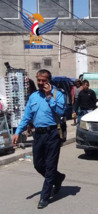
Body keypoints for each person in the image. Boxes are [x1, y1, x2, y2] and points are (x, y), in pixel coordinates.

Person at [11, 69, 66, 209]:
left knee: (50, 166)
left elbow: (60, 112)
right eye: (39, 80)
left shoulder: (57, 94)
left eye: (43, 80)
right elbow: (27, 116)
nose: (40, 83)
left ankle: (44, 197)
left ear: (49, 80)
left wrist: (49, 97)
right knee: (38, 164)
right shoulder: (34, 97)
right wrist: (17, 132)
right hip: (39, 135)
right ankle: (58, 178)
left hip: (53, 133)